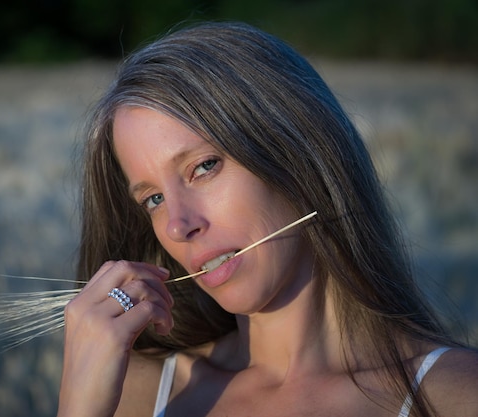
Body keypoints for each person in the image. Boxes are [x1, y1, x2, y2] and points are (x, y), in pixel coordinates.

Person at [56, 21, 478, 417]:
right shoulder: (134, 394)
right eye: (153, 199)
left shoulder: (456, 397)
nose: (177, 226)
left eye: (204, 167)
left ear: (295, 154)